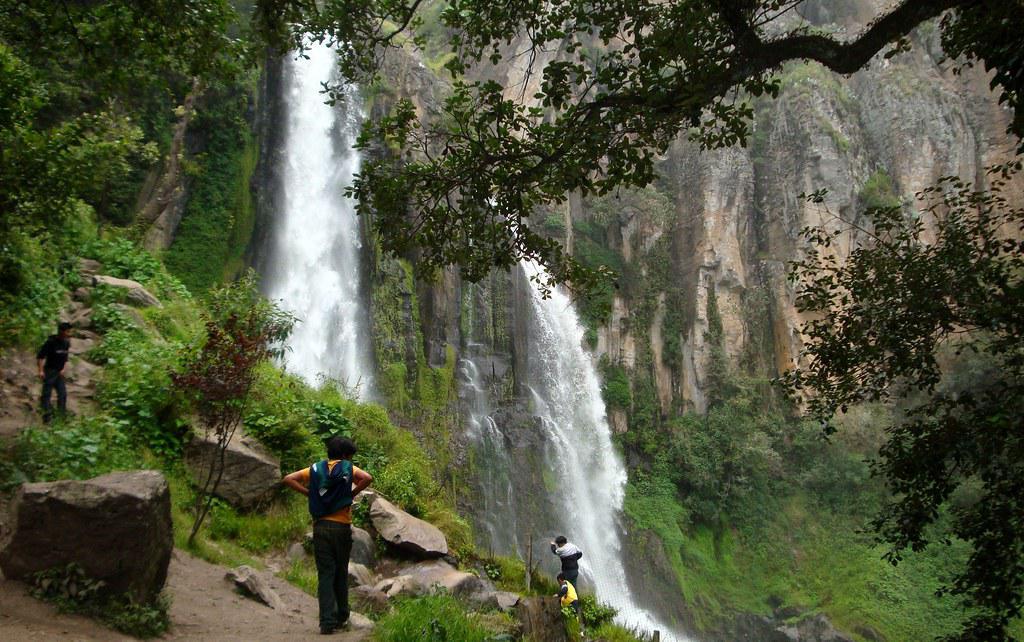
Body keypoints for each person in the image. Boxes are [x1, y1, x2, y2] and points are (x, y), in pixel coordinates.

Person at [283, 436, 373, 635]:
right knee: (341, 571)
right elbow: (367, 477)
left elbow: (288, 478)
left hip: (321, 527)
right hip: (341, 528)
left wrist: (309, 493)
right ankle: (342, 616)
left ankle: (326, 622)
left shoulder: (315, 469)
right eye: (349, 456)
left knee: (325, 574)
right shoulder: (348, 468)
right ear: (344, 455)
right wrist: (352, 493)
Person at [37, 322, 72, 423]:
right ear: (61, 331)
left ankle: (61, 417)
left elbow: (65, 358)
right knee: (46, 394)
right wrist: (40, 371)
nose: (69, 333)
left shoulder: (66, 343)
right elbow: (40, 357)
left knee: (63, 394)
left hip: (59, 373)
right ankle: (47, 417)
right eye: (67, 331)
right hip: (49, 371)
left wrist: (63, 369)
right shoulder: (50, 342)